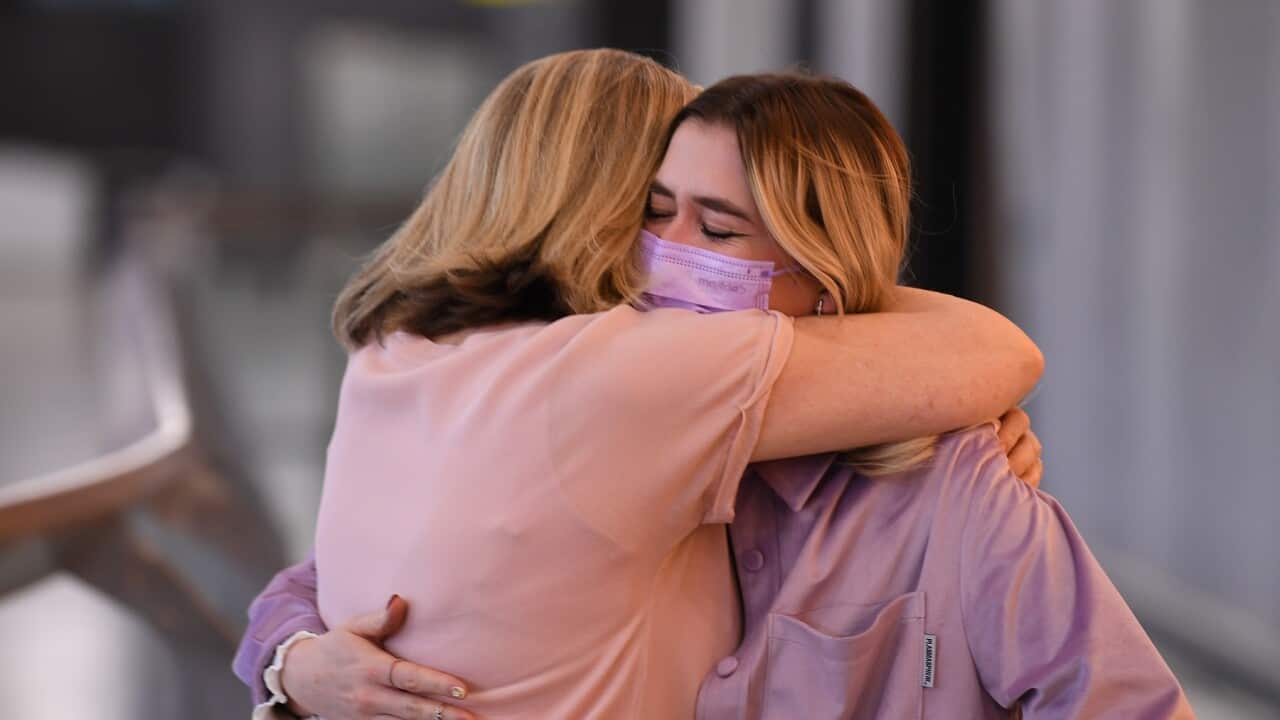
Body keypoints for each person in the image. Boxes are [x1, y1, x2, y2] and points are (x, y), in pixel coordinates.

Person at [235, 51, 1046, 720]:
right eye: (658, 207)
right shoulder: (623, 373)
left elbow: (315, 580)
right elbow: (996, 351)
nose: (676, 247)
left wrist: (288, 660)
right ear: (607, 203)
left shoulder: (395, 348)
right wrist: (828, 259)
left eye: (718, 218)